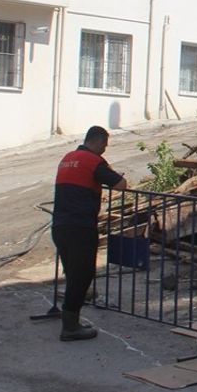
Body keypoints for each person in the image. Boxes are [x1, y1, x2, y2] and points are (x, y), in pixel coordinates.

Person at [51, 126, 129, 342]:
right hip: (80, 227)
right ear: (97, 141)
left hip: (60, 225)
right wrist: (111, 172)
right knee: (82, 275)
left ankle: (71, 318)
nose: (105, 149)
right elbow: (121, 185)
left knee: (73, 273)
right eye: (104, 145)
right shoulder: (93, 162)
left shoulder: (68, 158)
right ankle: (70, 326)